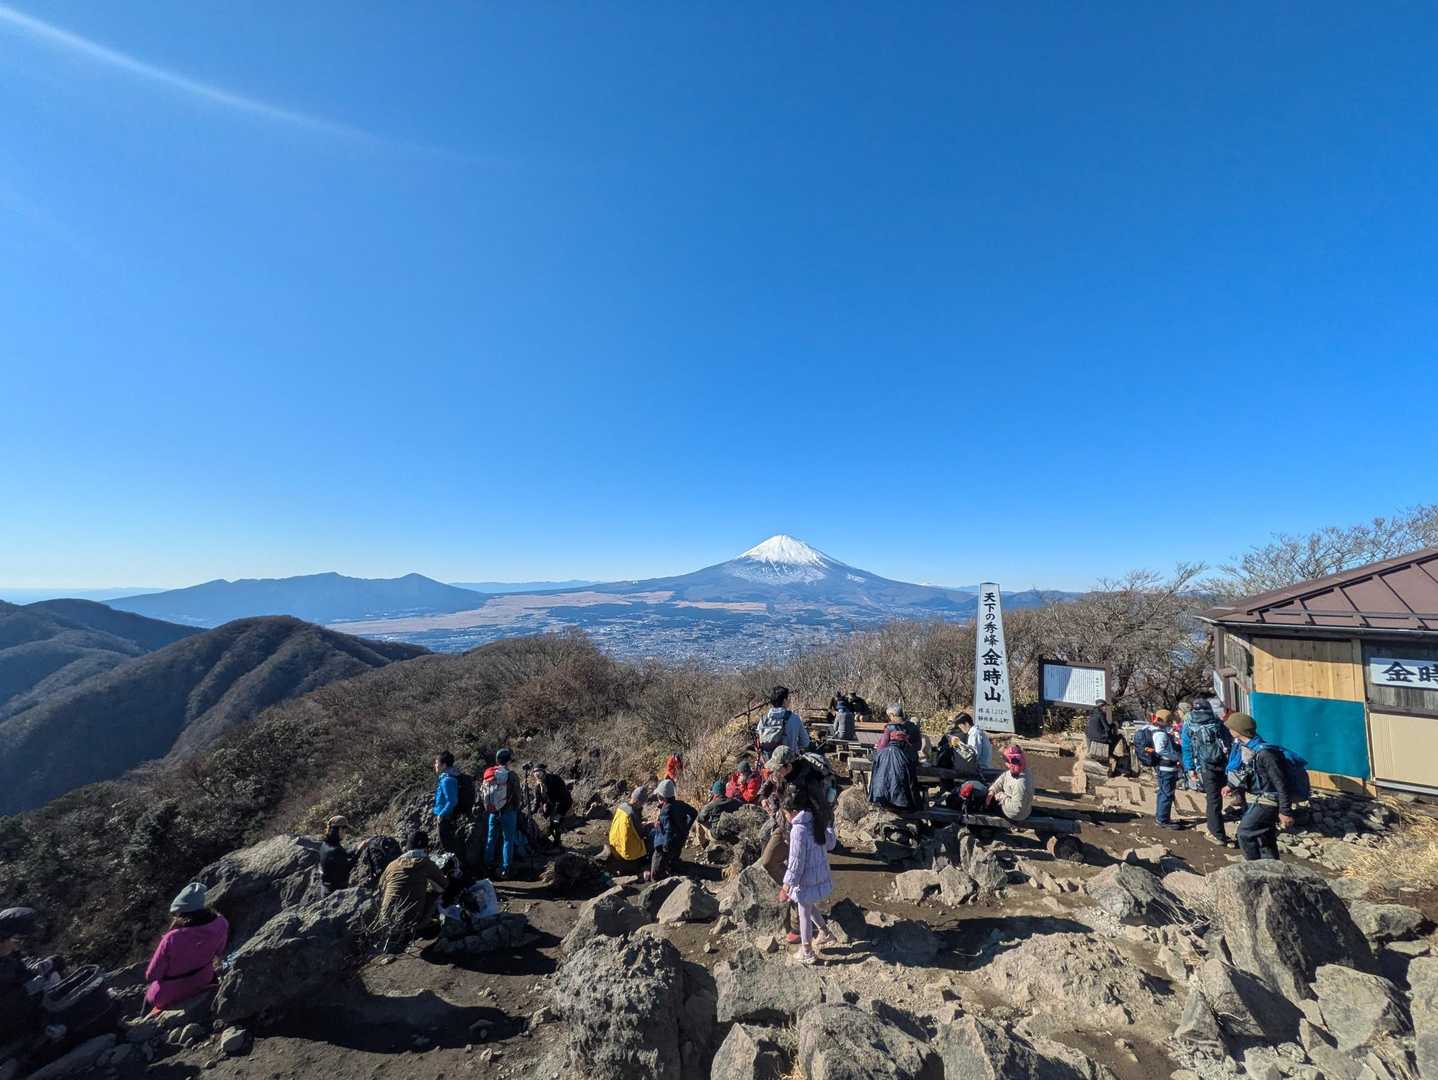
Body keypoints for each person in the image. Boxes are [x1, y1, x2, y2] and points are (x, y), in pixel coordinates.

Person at [144, 883, 229, 1014]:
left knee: (149, 996)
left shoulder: (171, 938)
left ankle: (142, 1022)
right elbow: (219, 951)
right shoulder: (221, 923)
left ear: (182, 914)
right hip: (203, 979)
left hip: (169, 993)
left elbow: (152, 975)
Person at [1224, 712, 1296, 861]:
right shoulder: (1247, 747)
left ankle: (1254, 868)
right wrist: (1231, 785)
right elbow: (1247, 772)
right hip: (1256, 798)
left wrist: (1285, 811)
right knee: (1264, 837)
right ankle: (1272, 867)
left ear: (1238, 730)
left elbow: (1281, 783)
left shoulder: (1265, 754)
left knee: (1245, 833)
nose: (1229, 729)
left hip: (1267, 801)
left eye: (1231, 727)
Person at [779, 786, 838, 966]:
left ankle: (807, 951)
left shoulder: (798, 830)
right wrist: (830, 825)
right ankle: (825, 932)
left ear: (793, 812)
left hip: (805, 879)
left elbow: (796, 862)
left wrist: (787, 885)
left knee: (803, 913)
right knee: (808, 905)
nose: (786, 818)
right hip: (819, 874)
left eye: (786, 814)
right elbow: (831, 844)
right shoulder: (815, 820)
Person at [377, 831, 449, 951]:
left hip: (385, 920)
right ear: (426, 848)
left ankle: (396, 935)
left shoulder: (391, 865)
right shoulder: (426, 863)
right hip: (411, 922)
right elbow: (444, 886)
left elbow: (381, 888)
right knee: (435, 894)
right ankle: (419, 929)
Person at [1182, 696, 1235, 847]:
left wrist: (1190, 769)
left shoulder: (1189, 724)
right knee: (1219, 797)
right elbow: (1228, 742)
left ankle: (1217, 834)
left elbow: (1186, 748)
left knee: (1213, 800)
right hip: (1221, 763)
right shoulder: (1217, 721)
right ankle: (1220, 830)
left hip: (1204, 766)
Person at [0, 907, 46, 1049]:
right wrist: (27, 990)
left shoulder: (8, 954)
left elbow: (22, 964)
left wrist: (40, 967)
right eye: (16, 940)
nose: (18, 945)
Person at [1135, 712, 1185, 830]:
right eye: (1169, 721)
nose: (1171, 723)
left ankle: (1161, 817)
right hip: (1166, 767)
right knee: (1167, 793)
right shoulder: (1160, 734)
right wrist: (1175, 757)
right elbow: (1160, 750)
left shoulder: (1149, 729)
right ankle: (1163, 820)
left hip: (1161, 766)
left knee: (1163, 792)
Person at [483, 748, 523, 879]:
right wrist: (516, 807)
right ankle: (505, 869)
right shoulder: (511, 775)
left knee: (490, 839)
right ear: (508, 761)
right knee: (508, 840)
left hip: (493, 811)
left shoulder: (489, 773)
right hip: (508, 811)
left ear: (497, 760)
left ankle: (487, 866)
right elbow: (517, 794)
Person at [648, 779, 698, 882]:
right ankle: (672, 866)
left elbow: (668, 829)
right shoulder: (680, 804)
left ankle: (659, 879)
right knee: (673, 858)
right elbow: (694, 812)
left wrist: (665, 846)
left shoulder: (666, 810)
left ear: (661, 797)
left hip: (665, 844)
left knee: (656, 872)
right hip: (679, 839)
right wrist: (686, 827)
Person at [868, 734, 922, 812]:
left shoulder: (880, 753)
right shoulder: (906, 756)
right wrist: (918, 805)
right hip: (899, 803)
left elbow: (870, 757)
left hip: (879, 799)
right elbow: (912, 783)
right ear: (903, 743)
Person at [318, 816, 366, 895]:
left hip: (325, 888)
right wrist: (359, 851)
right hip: (334, 893)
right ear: (340, 829)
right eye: (345, 831)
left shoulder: (326, 844)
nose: (345, 833)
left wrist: (356, 849)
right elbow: (347, 867)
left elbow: (343, 854)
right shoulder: (335, 849)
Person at [985, 745, 1034, 822]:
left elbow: (1016, 810)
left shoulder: (1020, 783)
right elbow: (1004, 777)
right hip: (1019, 806)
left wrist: (1000, 796)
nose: (1004, 763)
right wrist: (993, 790)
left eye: (1005, 760)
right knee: (989, 792)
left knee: (985, 804)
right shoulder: (1018, 769)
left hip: (1015, 814)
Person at [528, 764, 573, 848]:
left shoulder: (554, 779)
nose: (537, 774)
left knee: (556, 822)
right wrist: (532, 811)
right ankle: (554, 840)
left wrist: (557, 811)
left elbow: (563, 795)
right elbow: (538, 801)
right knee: (549, 824)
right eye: (535, 772)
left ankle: (557, 842)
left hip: (563, 803)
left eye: (538, 771)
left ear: (543, 772)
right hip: (551, 804)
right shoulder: (538, 786)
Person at [756, 686, 811, 754]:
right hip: (790, 759)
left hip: (767, 760)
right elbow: (805, 742)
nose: (789, 700)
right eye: (788, 698)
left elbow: (759, 743)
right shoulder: (794, 718)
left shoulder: (763, 720)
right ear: (784, 701)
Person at [1085, 699, 1131, 777]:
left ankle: (1112, 754)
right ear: (1101, 706)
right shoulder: (1101, 714)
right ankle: (1116, 754)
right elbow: (1107, 728)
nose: (1106, 708)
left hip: (1091, 738)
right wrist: (1114, 724)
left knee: (1112, 738)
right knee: (1119, 736)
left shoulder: (1091, 714)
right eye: (1105, 706)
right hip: (1100, 739)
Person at [433, 750, 463, 858]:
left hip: (446, 818)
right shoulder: (447, 777)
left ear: (444, 765)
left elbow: (452, 801)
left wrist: (441, 814)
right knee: (447, 846)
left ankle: (454, 865)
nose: (435, 765)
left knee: (448, 847)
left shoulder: (448, 780)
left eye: (437, 763)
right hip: (446, 816)